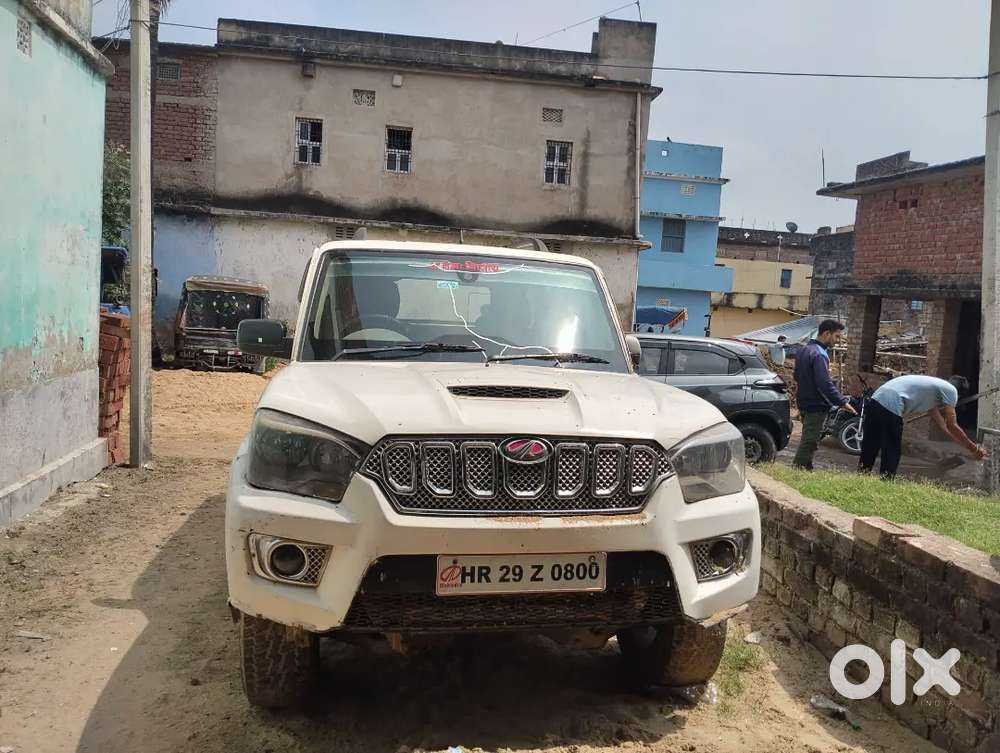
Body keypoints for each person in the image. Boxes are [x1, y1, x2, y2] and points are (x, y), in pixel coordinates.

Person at [859, 374, 987, 479]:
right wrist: (974, 448)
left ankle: (861, 476)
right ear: (958, 395)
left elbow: (944, 426)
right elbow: (952, 425)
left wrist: (960, 442)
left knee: (871, 443)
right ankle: (885, 482)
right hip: (892, 403)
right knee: (892, 449)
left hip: (876, 398)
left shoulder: (935, 387)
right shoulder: (951, 391)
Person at [792, 320, 856, 470]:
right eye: (837, 336)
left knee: (809, 436)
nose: (838, 340)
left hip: (803, 402)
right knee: (811, 439)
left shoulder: (804, 350)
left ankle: (806, 467)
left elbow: (796, 376)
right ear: (827, 334)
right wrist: (843, 402)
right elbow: (825, 384)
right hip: (816, 404)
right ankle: (799, 469)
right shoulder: (819, 355)